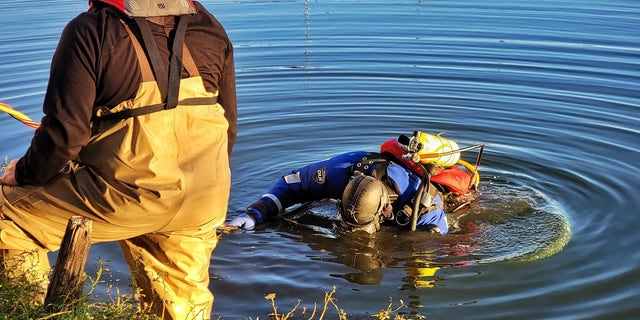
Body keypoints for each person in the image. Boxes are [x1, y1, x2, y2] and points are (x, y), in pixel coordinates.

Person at [0, 0, 236, 319]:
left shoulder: (90, 30)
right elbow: (229, 124)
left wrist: (24, 174)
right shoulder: (208, 24)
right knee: (180, 300)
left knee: (5, 216)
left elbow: (65, 135)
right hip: (205, 192)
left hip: (128, 190)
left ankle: (27, 309)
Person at [229, 131, 481, 235]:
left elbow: (435, 248)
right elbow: (292, 183)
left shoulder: (426, 207)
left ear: (385, 209)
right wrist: (257, 212)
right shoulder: (340, 171)